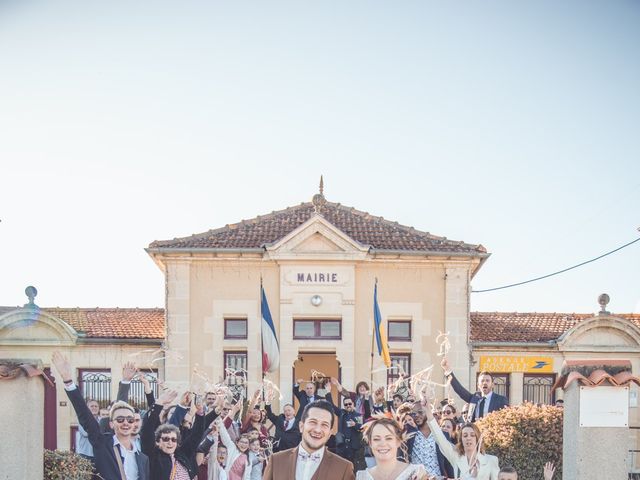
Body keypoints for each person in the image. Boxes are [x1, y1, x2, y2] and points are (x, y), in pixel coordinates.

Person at [51, 351, 149, 480]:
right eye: (120, 419)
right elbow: (85, 416)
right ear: (111, 424)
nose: (126, 422)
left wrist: (126, 382)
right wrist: (68, 380)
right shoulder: (102, 443)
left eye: (130, 420)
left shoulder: (143, 458)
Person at [262, 399, 355, 480]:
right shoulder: (276, 461)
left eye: (324, 425)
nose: (318, 430)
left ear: (330, 433)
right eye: (313, 422)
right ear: (301, 426)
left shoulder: (344, 468)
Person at [424, 398, 499, 480]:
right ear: (461, 440)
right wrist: (427, 410)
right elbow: (440, 438)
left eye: (472, 435)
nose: (468, 438)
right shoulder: (456, 456)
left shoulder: (491, 460)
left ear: (477, 438)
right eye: (465, 435)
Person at [140, 388, 205, 480]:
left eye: (173, 439)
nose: (170, 442)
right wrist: (159, 402)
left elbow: (196, 436)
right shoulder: (154, 457)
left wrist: (199, 412)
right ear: (158, 442)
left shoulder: (182, 454)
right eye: (166, 439)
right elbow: (147, 430)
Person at [356, 417, 428, 480]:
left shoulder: (416, 473)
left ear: (398, 442)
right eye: (376, 439)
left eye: (388, 438)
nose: (383, 444)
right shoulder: (362, 477)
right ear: (370, 443)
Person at [441, 358, 508, 421]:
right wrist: (448, 370)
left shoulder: (500, 400)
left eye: (487, 381)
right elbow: (459, 389)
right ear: (478, 385)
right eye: (482, 381)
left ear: (492, 384)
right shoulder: (474, 398)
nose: (484, 383)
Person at [404, 403, 453, 478]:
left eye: (420, 412)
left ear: (428, 412)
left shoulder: (442, 435)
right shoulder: (409, 435)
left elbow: (449, 463)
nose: (416, 415)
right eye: (414, 413)